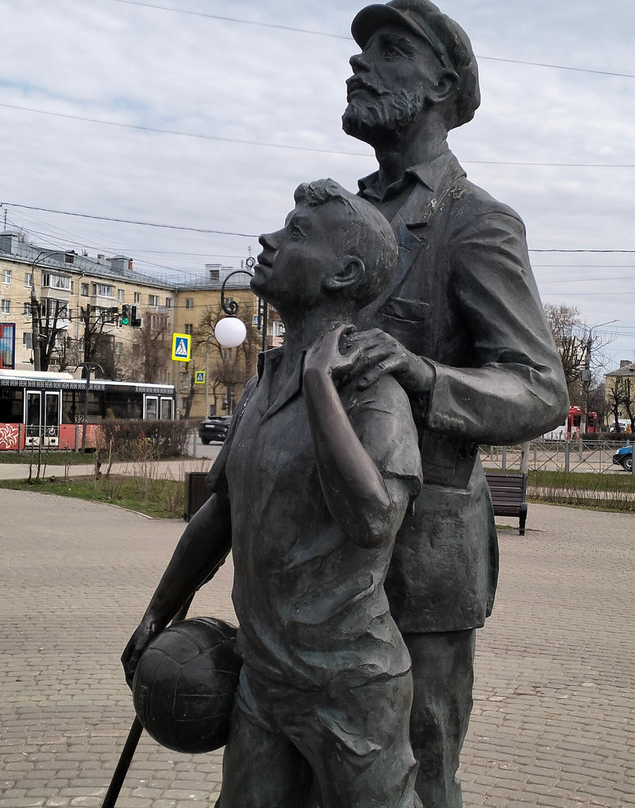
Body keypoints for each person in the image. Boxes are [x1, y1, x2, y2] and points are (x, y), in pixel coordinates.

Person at [123, 179, 424, 808]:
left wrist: (320, 385)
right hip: (263, 676)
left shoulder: (374, 394)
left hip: (351, 686)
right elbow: (223, 513)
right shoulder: (262, 388)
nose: (269, 239)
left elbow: (374, 520)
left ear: (344, 273)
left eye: (296, 233)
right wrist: (159, 610)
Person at [340, 2, 569, 806]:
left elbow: (539, 386)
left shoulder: (476, 224)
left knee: (420, 763)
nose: (360, 63)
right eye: (360, 48)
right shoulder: (343, 221)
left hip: (422, 561)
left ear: (441, 85)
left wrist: (426, 377)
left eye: (388, 49)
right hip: (319, 553)